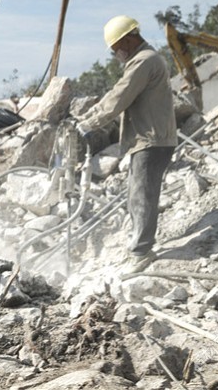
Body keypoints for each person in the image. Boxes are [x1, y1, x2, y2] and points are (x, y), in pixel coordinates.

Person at [76, 15, 177, 274]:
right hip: (148, 139)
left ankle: (141, 251)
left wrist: (90, 123)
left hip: (152, 140)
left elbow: (119, 97)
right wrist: (87, 117)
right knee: (136, 193)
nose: (116, 54)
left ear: (130, 39)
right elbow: (115, 94)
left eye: (117, 48)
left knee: (142, 194)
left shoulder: (144, 61)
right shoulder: (142, 60)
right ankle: (138, 245)